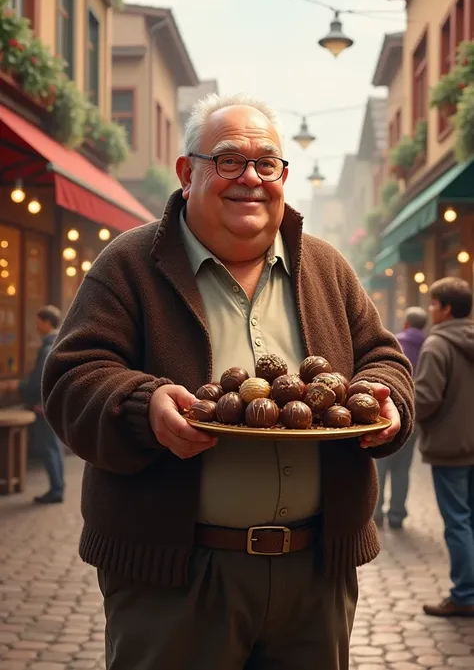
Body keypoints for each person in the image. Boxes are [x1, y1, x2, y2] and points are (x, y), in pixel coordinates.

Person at [42, 93, 414, 670]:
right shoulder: (129, 263)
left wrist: (387, 406)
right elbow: (72, 378)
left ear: (283, 176)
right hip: (175, 576)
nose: (251, 178)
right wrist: (145, 406)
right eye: (229, 160)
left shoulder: (325, 265)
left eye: (267, 163)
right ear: (187, 173)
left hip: (315, 575)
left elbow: (383, 358)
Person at [415, 277, 474, 617]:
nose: (430, 309)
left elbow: (425, 399)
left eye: (434, 304)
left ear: (447, 308)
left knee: (458, 522)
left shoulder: (437, 346)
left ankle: (465, 594)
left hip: (451, 449)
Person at [3, 306, 65, 503]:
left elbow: (37, 384)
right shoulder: (60, 342)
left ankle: (56, 489)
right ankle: (58, 487)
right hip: (55, 404)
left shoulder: (48, 348)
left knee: (49, 448)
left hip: (44, 406)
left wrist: (17, 386)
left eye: (38, 321)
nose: (36, 326)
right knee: (54, 448)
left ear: (47, 322)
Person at [375, 306, 427, 528]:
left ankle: (376, 512)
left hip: (391, 412)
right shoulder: (429, 346)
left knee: (381, 465)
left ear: (406, 323)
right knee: (402, 468)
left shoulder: (395, 345)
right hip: (414, 416)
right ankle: (397, 514)